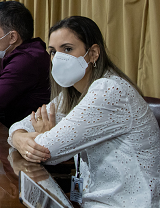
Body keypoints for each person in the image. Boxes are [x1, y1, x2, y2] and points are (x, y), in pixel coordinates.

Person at [8, 16, 160, 207]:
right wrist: (18, 137)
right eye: (53, 51)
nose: (58, 58)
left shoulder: (109, 90)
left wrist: (39, 137)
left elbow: (48, 149)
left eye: (68, 49)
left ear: (93, 53)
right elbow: (20, 126)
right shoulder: (73, 92)